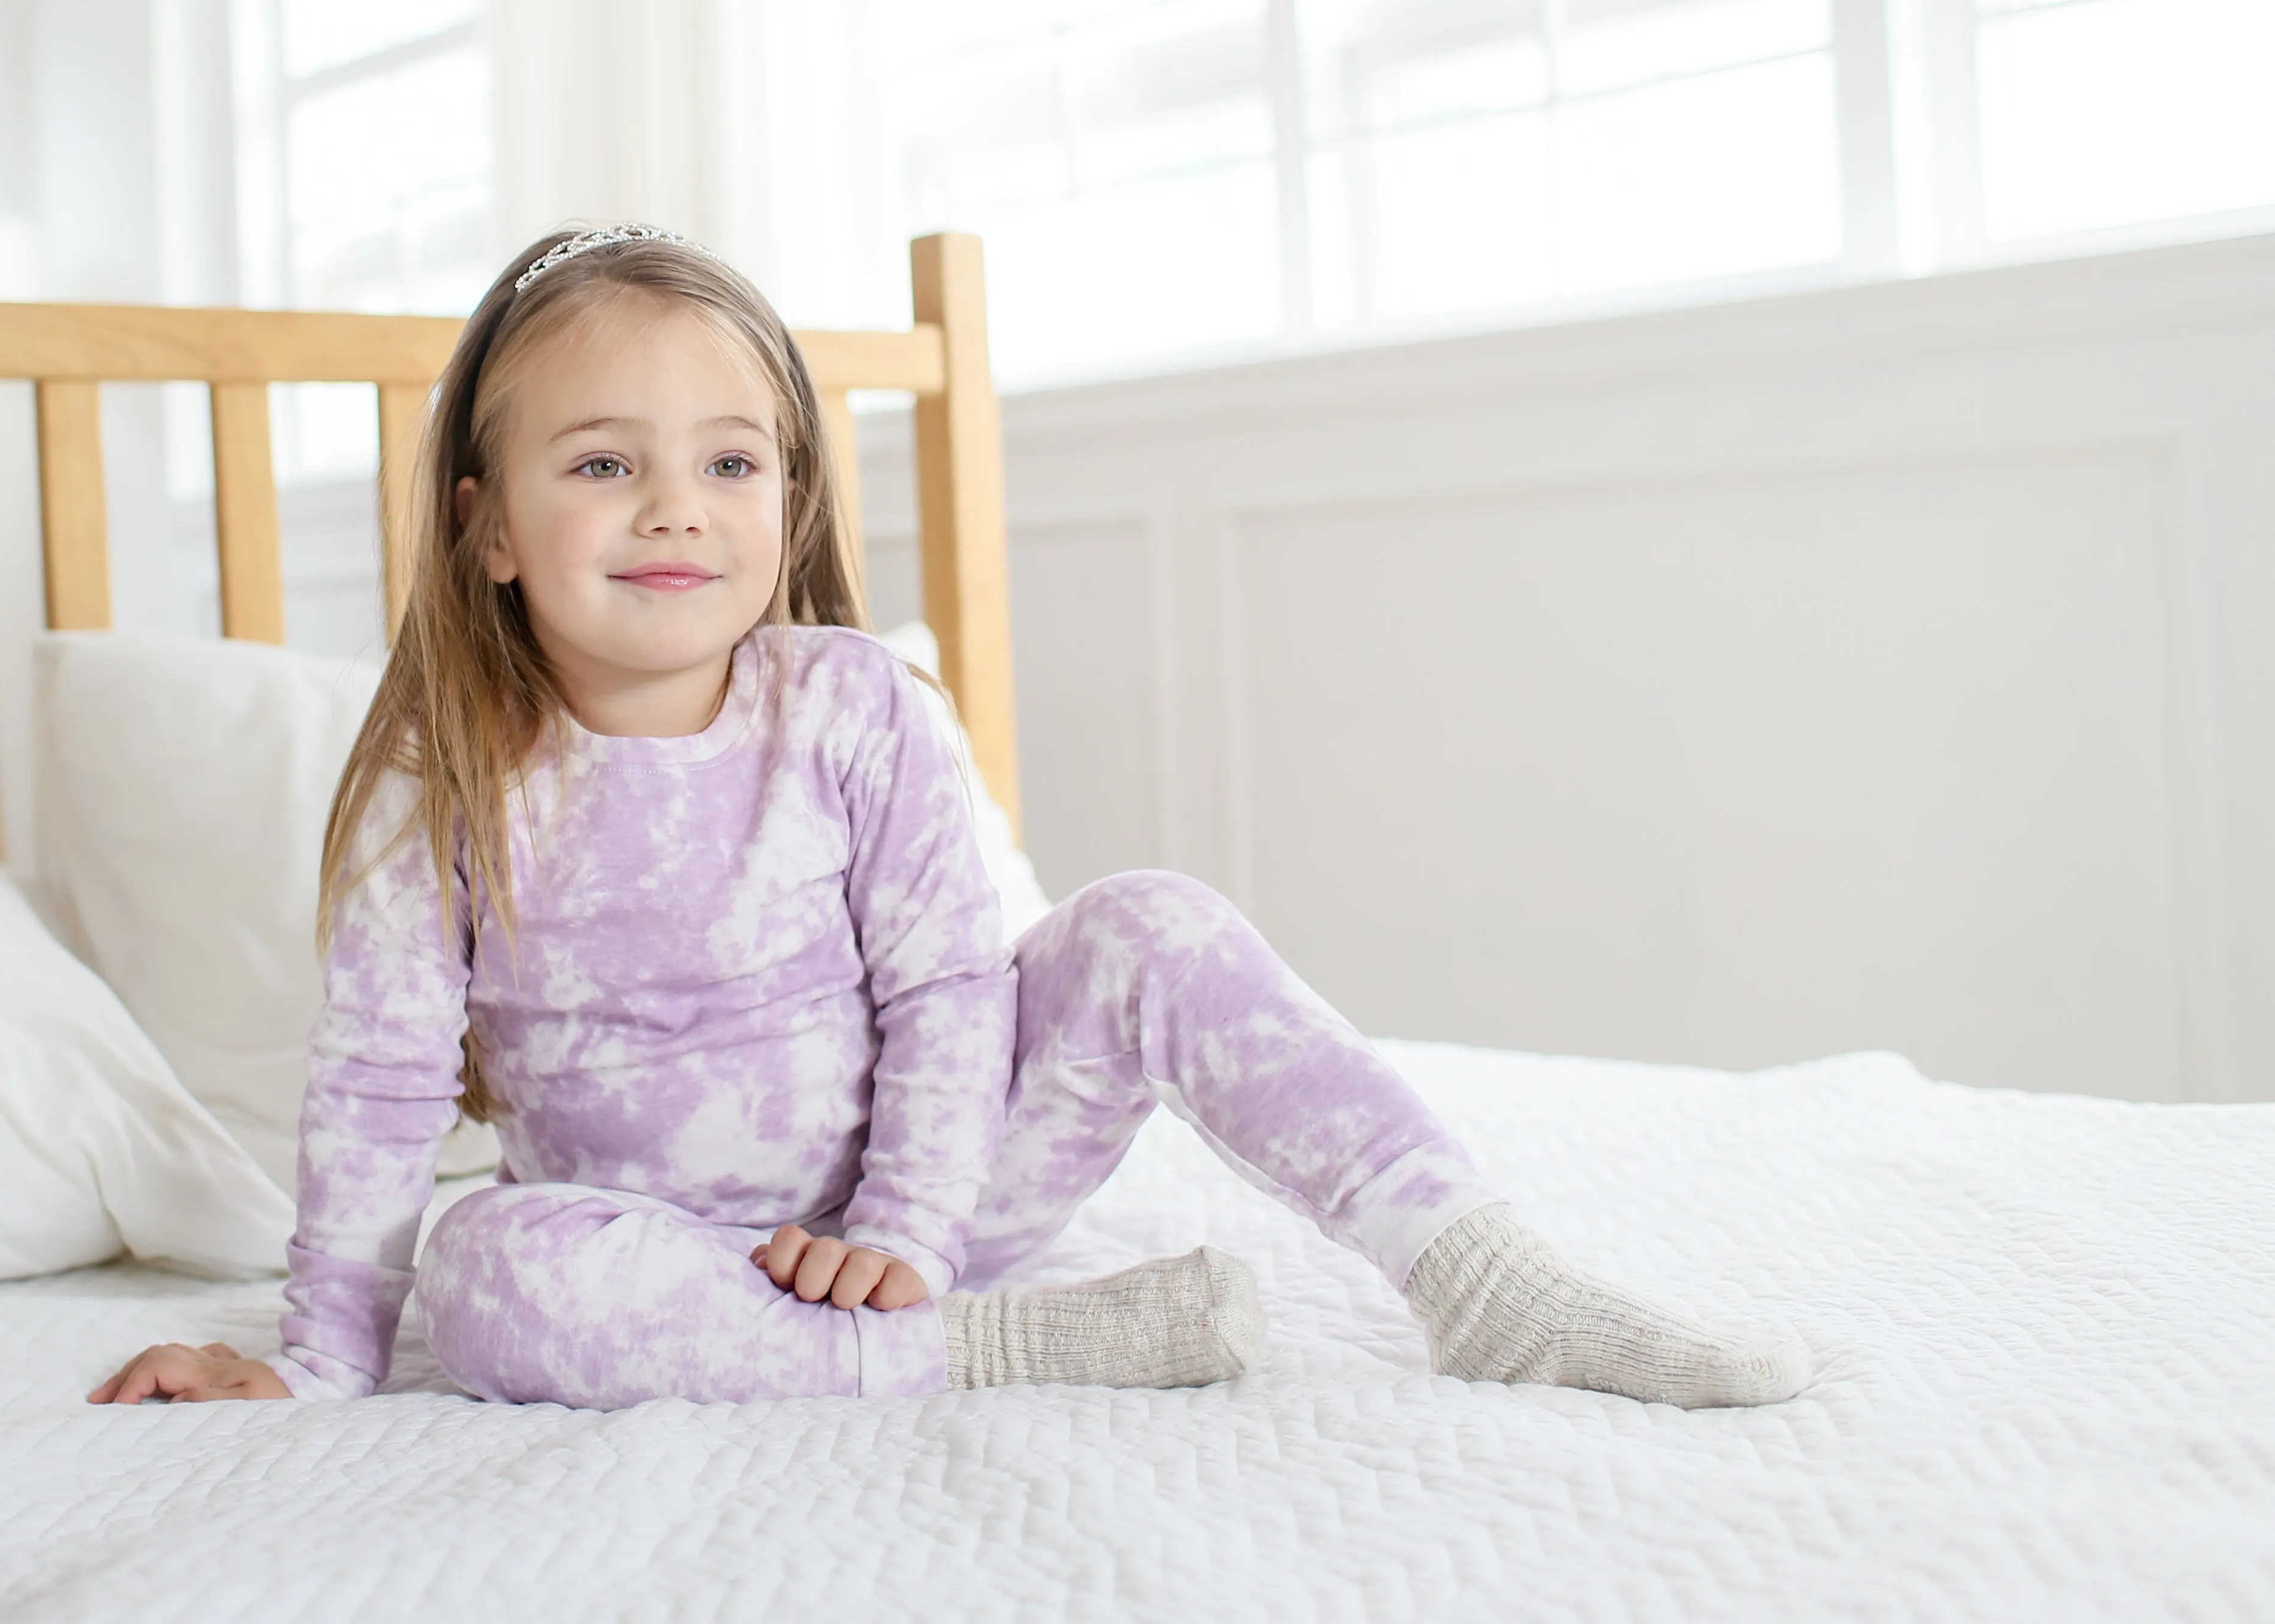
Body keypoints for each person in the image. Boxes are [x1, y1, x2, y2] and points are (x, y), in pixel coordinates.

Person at [92, 222, 1811, 1412]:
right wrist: (321, 1352)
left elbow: (946, 993)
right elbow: (384, 1088)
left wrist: (907, 1234)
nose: (676, 508)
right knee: (483, 1281)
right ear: (486, 525)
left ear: (790, 495)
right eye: (605, 464)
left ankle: (1487, 1280)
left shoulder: (852, 709)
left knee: (1147, 922)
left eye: (732, 463)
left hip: (934, 1198)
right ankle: (1014, 1352)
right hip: (684, 1263)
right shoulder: (443, 788)